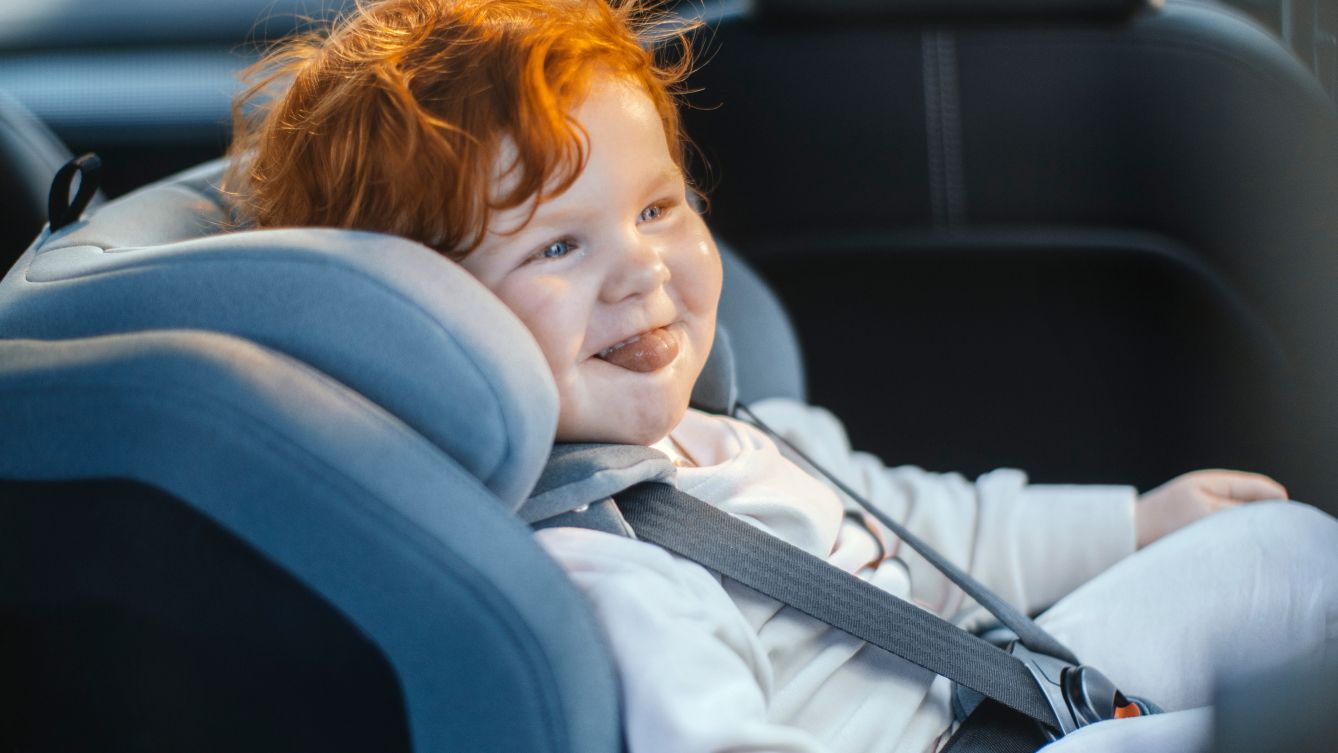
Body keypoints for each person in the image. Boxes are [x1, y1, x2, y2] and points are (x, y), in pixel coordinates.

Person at [223, 1, 1338, 751]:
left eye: (657, 208)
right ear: (429, 319)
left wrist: (1135, 522)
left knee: (1283, 550)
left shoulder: (735, 433)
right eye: (558, 245)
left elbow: (926, 526)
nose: (641, 270)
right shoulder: (605, 571)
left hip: (994, 686)